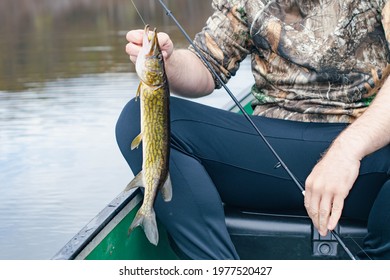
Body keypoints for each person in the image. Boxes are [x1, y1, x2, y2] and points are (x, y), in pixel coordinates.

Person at [117, 0, 390, 259]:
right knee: (136, 117)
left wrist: (346, 151)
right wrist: (166, 62)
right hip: (269, 154)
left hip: (362, 160)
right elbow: (206, 65)